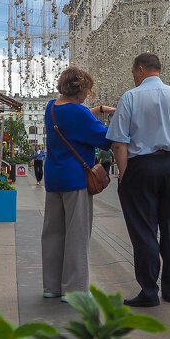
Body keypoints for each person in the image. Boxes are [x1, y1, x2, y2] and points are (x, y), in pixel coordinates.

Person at [108, 53, 170, 308]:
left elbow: (119, 143)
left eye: (133, 72)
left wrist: (125, 175)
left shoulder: (130, 97)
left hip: (141, 166)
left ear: (140, 70)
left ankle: (149, 289)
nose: (133, 77)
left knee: (143, 229)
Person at [42, 67, 114, 301]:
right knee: (77, 234)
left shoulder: (51, 108)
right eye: (87, 90)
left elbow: (73, 119)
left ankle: (52, 286)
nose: (88, 95)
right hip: (76, 180)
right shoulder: (80, 113)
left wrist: (97, 110)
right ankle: (74, 289)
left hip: (53, 178)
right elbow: (104, 139)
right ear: (80, 89)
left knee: (53, 234)